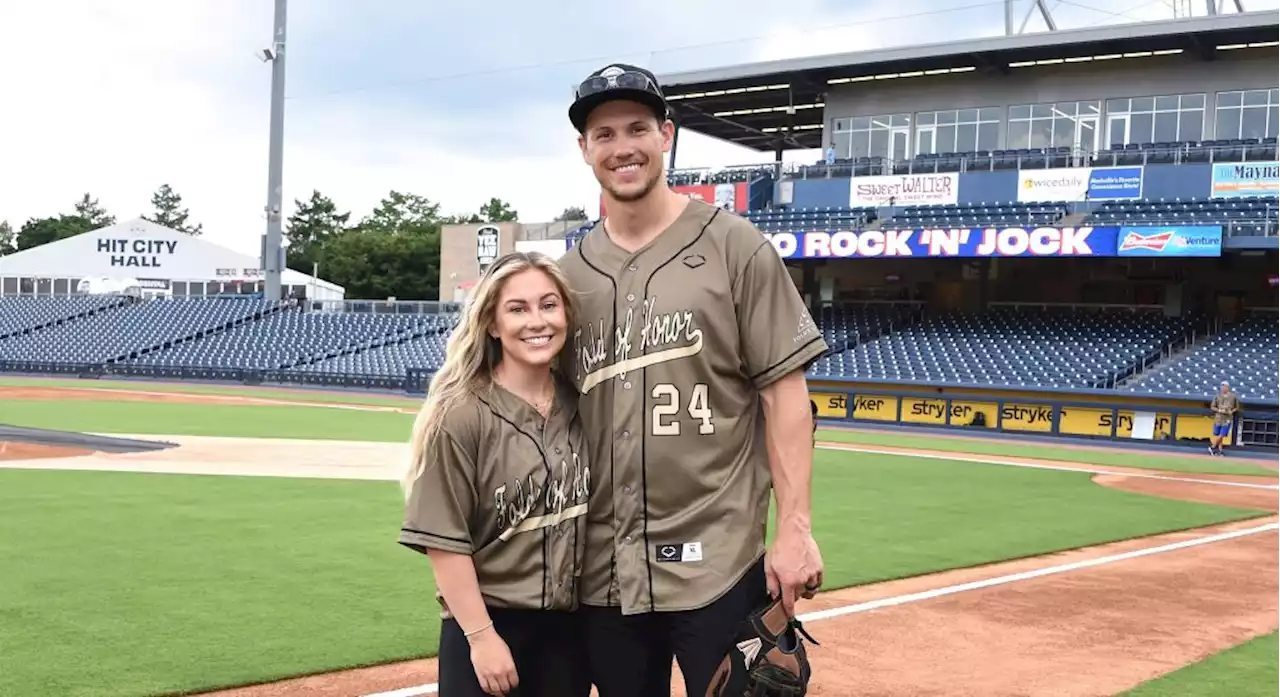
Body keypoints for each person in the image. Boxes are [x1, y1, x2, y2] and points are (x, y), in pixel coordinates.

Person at [558, 63, 830, 697]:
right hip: (604, 568)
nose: (622, 146)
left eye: (637, 129)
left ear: (666, 136)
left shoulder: (738, 247)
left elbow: (786, 397)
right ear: (585, 150)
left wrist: (795, 528)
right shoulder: (568, 277)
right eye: (604, 134)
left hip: (721, 558)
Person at [399, 251, 593, 697]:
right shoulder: (461, 414)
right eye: (517, 308)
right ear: (492, 323)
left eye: (549, 305)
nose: (537, 321)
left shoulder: (583, 404)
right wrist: (482, 638)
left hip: (567, 632)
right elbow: (443, 540)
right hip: (490, 623)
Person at [1208, 380, 1240, 456]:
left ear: (1227, 387)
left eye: (1224, 386)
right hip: (1218, 418)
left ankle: (1212, 447)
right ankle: (1220, 450)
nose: (1223, 388)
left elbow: (1237, 407)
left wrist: (1231, 411)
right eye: (1222, 386)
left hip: (1227, 418)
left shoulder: (1233, 396)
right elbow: (1212, 406)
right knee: (1218, 434)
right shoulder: (1217, 396)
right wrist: (1219, 410)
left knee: (1223, 433)